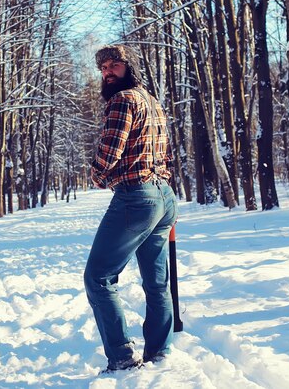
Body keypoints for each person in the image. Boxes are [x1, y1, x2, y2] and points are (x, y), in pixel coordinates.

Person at [84, 44, 178, 373]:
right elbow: (165, 153)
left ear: (129, 67)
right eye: (103, 68)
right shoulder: (152, 101)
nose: (108, 72)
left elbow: (110, 152)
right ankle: (160, 350)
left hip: (136, 197)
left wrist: (96, 175)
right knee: (156, 283)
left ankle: (122, 356)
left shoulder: (123, 100)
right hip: (163, 197)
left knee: (98, 277)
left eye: (114, 65)